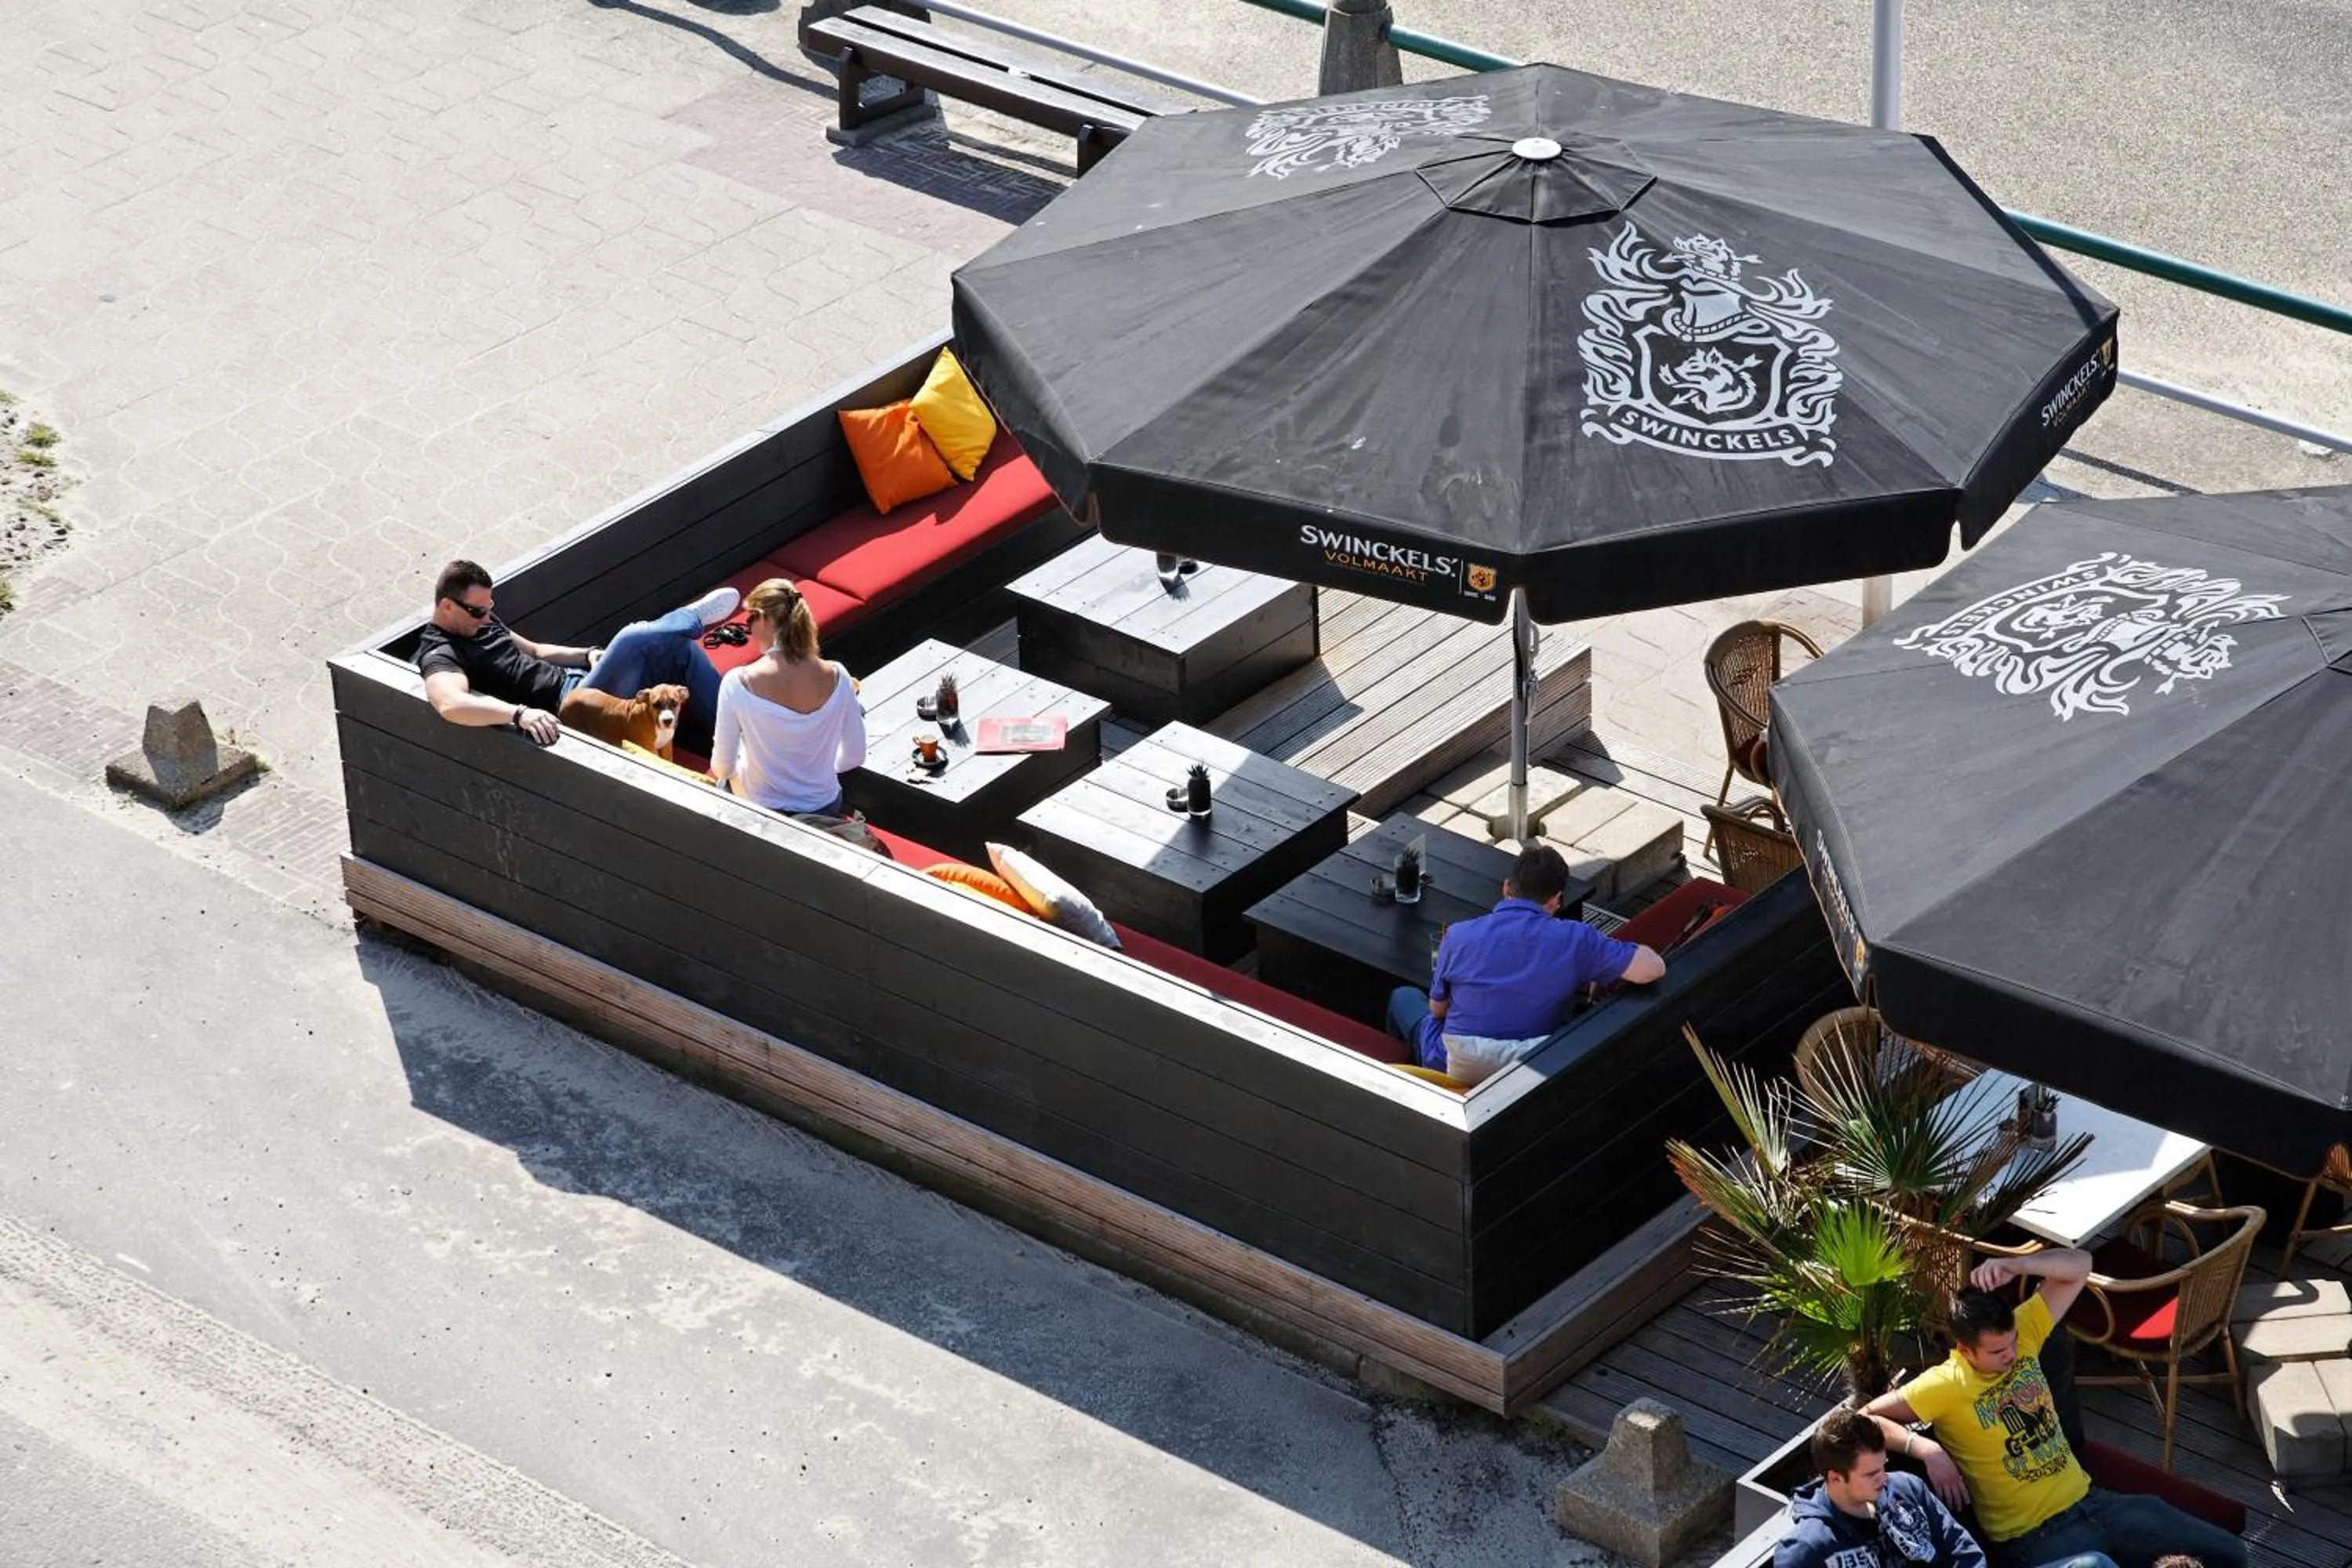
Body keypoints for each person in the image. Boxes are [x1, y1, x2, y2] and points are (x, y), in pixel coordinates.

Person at [1863, 1255, 2247, 1568]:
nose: (2011, 1355)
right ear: (1965, 1350)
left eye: (2012, 1343)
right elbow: (1862, 1420)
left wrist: (2016, 1265)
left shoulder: (2026, 1332)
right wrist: (1924, 1448)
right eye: (1997, 1352)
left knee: (2228, 1553)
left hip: (2094, 1502)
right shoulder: (1944, 1384)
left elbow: (2080, 1265)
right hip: (2034, 1537)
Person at [1383, 844, 1664, 1084]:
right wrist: (1599, 965)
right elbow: (1653, 967)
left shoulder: (1457, 936)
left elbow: (1438, 1010)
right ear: (1556, 900)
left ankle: (1408, 1077)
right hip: (1529, 1069)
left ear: (1507, 888)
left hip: (1454, 1066)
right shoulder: (1576, 940)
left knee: (1403, 996)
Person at [417, 560, 735, 752]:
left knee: (679, 651)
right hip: (573, 710)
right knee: (632, 637)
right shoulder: (441, 652)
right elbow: (450, 704)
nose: (486, 616)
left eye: (490, 607)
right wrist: (518, 714)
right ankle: (689, 618)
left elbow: (536, 650)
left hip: (582, 681)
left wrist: (588, 655)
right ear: (447, 606)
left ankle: (737, 736)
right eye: (478, 611)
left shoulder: (479, 622)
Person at [1777, 1410, 2116, 1568]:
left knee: (2093, 1565)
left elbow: (1964, 1552)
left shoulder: (1905, 1489)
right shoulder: (1808, 1548)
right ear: (1835, 1478)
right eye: (1871, 1474)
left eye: (1883, 1466)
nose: (1884, 1478)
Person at [707, 578, 865, 815]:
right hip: (825, 807)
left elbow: (722, 768)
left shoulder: (738, 683)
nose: (749, 630)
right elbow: (855, 756)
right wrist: (813, 774)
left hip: (762, 812)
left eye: (749, 620)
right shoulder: (839, 676)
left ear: (765, 620)